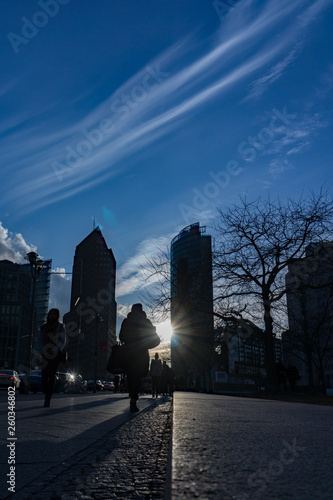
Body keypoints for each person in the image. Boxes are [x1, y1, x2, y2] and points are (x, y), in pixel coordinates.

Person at [119, 303, 160, 411]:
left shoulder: (127, 321)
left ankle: (132, 396)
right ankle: (133, 399)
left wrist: (129, 340)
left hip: (129, 353)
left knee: (131, 376)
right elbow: (155, 338)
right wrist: (146, 344)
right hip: (141, 353)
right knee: (137, 377)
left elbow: (121, 336)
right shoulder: (146, 322)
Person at [40, 308, 66, 408]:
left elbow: (62, 341)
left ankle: (47, 399)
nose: (52, 316)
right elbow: (40, 340)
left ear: (57, 316)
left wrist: (55, 349)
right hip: (45, 353)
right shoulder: (43, 327)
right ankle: (47, 391)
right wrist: (43, 349)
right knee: (44, 375)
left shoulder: (60, 327)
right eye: (50, 314)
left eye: (54, 314)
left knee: (51, 374)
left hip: (55, 354)